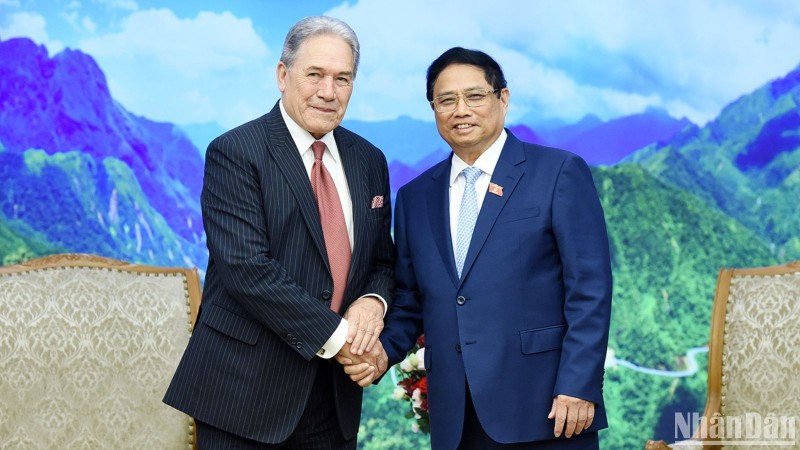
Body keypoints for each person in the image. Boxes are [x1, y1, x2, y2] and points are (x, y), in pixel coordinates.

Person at [358, 47, 613, 449]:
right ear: (434, 109)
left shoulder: (558, 173)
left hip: (550, 409)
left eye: (475, 96)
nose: (461, 110)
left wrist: (579, 384)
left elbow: (590, 290)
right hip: (456, 417)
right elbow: (410, 300)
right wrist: (380, 353)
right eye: (446, 100)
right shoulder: (414, 197)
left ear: (503, 99)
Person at [163, 16, 393, 449]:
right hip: (243, 394)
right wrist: (345, 340)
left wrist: (372, 302)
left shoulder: (369, 160)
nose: (329, 91)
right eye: (315, 75)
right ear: (283, 75)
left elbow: (381, 259)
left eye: (343, 78)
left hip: (333, 398)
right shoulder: (236, 152)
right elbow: (249, 270)